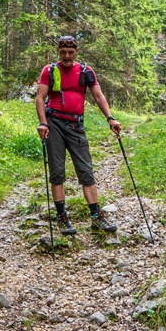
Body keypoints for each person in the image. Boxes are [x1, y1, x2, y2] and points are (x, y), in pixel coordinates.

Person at [36, 35, 122, 236]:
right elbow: (40, 98)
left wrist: (110, 118)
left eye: (70, 52)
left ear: (76, 52)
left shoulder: (85, 71)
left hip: (76, 125)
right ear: (58, 52)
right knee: (57, 171)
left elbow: (98, 96)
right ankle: (62, 217)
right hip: (54, 124)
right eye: (63, 52)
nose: (67, 56)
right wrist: (43, 122)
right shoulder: (49, 70)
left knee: (86, 171)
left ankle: (96, 217)